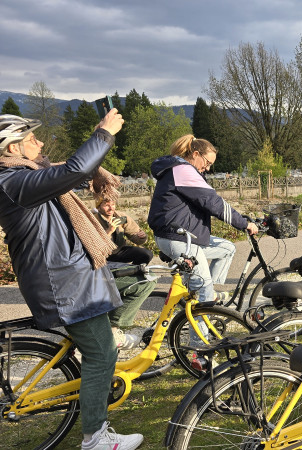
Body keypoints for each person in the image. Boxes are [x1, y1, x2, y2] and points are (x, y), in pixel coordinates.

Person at [0, 112, 143, 448]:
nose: (41, 142)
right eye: (32, 138)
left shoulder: (26, 176)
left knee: (105, 336)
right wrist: (105, 134)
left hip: (69, 279)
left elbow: (65, 172)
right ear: (12, 146)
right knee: (101, 354)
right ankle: (96, 437)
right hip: (65, 284)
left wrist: (95, 140)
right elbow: (74, 170)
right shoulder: (12, 181)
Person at [147, 135, 258, 304]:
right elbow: (213, 203)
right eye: (207, 163)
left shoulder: (181, 169)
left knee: (227, 249)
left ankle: (205, 297)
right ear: (196, 154)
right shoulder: (183, 170)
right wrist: (244, 224)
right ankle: (202, 319)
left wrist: (242, 219)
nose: (207, 168)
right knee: (203, 286)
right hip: (178, 238)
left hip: (184, 236)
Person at [94, 195, 153, 265]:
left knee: (147, 254)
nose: (111, 208)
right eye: (106, 205)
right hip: (102, 256)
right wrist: (109, 231)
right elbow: (94, 246)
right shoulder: (93, 220)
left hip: (119, 251)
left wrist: (141, 237)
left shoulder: (120, 217)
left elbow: (135, 235)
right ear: (98, 207)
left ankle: (134, 271)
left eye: (113, 204)